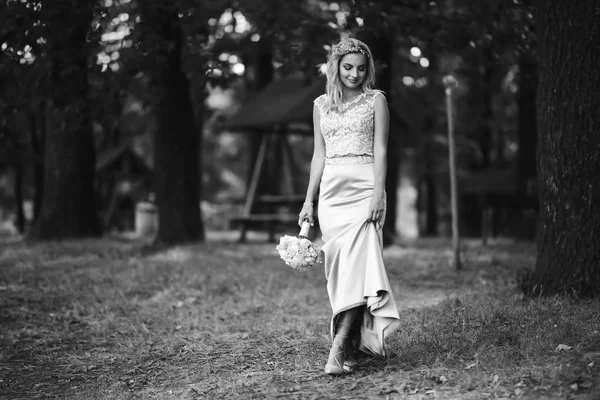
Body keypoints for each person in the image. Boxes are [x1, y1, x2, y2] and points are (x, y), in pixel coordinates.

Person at [298, 38, 401, 375]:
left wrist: (377, 195)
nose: (354, 74)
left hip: (364, 189)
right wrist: (309, 200)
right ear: (336, 68)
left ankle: (338, 348)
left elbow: (382, 151)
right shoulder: (320, 105)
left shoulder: (376, 101)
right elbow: (318, 156)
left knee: (363, 263)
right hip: (332, 194)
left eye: (360, 68)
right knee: (342, 270)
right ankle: (353, 344)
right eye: (348, 67)